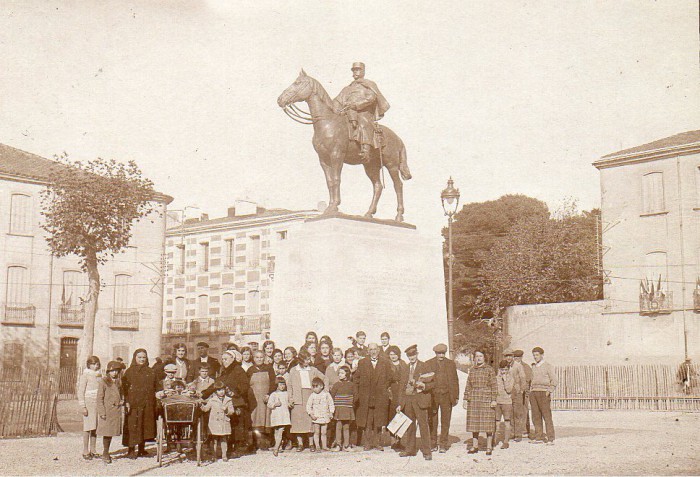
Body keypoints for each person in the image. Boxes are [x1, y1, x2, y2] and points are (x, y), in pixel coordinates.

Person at [332, 62, 390, 163]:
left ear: (363, 71)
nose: (355, 72)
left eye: (358, 70)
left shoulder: (368, 85)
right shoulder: (347, 88)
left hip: (363, 112)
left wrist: (355, 105)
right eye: (354, 70)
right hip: (348, 113)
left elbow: (371, 98)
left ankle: (366, 150)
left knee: (363, 122)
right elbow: (337, 100)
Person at [201, 350, 250, 458]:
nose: (224, 361)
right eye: (222, 359)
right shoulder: (224, 371)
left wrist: (235, 392)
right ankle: (224, 449)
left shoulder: (238, 370)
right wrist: (203, 394)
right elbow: (216, 384)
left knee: (236, 426)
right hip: (226, 401)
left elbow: (245, 385)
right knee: (226, 425)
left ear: (232, 359)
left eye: (226, 359)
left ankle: (237, 449)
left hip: (236, 402)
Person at [353, 342, 394, 451]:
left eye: (375, 349)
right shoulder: (362, 362)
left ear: (379, 350)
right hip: (366, 396)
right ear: (368, 351)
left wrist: (384, 389)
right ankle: (367, 443)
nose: (373, 351)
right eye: (371, 349)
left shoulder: (385, 363)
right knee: (367, 420)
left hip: (380, 396)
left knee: (378, 420)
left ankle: (377, 443)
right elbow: (356, 378)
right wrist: (358, 393)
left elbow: (390, 378)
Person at [396, 344, 434, 461]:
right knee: (410, 427)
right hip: (408, 400)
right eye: (409, 355)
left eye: (413, 355)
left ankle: (427, 452)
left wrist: (424, 386)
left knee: (423, 426)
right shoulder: (405, 368)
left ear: (417, 354)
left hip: (420, 400)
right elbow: (401, 387)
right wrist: (400, 403)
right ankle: (410, 450)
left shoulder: (425, 366)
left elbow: (433, 383)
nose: (411, 357)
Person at [287, 350, 327, 451]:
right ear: (301, 360)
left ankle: (311, 443)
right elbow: (290, 386)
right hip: (297, 398)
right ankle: (300, 444)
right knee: (298, 421)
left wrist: (324, 391)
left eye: (309, 359)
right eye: (307, 359)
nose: (309, 361)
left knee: (310, 420)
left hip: (310, 396)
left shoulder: (313, 370)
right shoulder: (293, 370)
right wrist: (290, 398)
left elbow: (325, 378)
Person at [122, 349, 157, 459]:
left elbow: (156, 386)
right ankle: (131, 449)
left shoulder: (151, 372)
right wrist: (126, 401)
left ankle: (142, 449)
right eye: (139, 357)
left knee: (144, 425)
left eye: (144, 357)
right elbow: (124, 388)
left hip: (146, 404)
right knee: (132, 425)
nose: (142, 359)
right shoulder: (129, 372)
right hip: (133, 404)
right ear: (134, 358)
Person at [426, 343, 459, 453]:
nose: (441, 355)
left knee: (445, 421)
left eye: (443, 353)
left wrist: (456, 396)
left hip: (446, 396)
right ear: (435, 353)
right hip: (433, 396)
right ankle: (433, 443)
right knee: (432, 421)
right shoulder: (429, 363)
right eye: (439, 353)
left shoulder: (450, 364)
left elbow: (455, 381)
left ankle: (443, 444)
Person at [464, 349, 497, 455]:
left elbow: (494, 385)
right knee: (475, 424)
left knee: (488, 424)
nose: (478, 358)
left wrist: (493, 399)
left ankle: (488, 447)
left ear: (484, 358)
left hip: (486, 398)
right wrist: (465, 399)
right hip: (474, 398)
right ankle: (475, 446)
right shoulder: (472, 370)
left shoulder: (489, 370)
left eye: (480, 356)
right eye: (477, 356)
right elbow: (468, 385)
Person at [247, 350, 276, 451]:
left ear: (264, 358)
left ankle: (266, 443)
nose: (259, 359)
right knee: (255, 420)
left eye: (261, 357)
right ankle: (255, 443)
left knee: (266, 419)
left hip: (265, 399)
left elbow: (273, 383)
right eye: (257, 357)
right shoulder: (250, 370)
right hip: (254, 400)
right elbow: (247, 385)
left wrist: (269, 394)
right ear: (253, 358)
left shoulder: (269, 369)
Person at [96, 361, 124, 464]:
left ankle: (107, 451)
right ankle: (105, 452)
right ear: (108, 371)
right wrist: (102, 412)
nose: (114, 373)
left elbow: (122, 394)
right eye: (112, 371)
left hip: (116, 411)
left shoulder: (119, 382)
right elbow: (99, 398)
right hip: (107, 411)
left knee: (111, 432)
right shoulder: (104, 382)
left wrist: (122, 401)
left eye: (116, 371)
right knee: (107, 433)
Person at [529, 347, 557, 445]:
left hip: (544, 393)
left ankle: (550, 438)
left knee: (546, 415)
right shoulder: (533, 367)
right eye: (534, 355)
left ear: (542, 355)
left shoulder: (548, 366)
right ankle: (539, 436)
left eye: (537, 355)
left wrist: (550, 390)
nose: (535, 357)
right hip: (534, 393)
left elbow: (554, 380)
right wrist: (531, 391)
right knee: (536, 416)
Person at [201, 381, 235, 462]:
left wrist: (226, 410)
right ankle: (214, 455)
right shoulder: (212, 400)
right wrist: (200, 405)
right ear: (216, 391)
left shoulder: (228, 400)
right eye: (219, 390)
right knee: (214, 439)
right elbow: (206, 409)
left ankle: (224, 455)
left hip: (224, 422)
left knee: (224, 439)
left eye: (223, 389)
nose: (221, 392)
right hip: (215, 423)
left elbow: (232, 411)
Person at [77, 356, 101, 460]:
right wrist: (83, 406)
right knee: (87, 427)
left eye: (97, 364)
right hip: (88, 403)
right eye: (94, 364)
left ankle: (93, 449)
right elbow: (80, 391)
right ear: (89, 365)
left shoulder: (99, 375)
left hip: (97, 403)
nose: (96, 366)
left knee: (95, 427)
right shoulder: (85, 375)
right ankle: (85, 450)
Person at [386, 345, 408, 451]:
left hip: (402, 390)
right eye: (391, 354)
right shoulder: (387, 364)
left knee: (401, 416)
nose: (393, 356)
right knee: (392, 416)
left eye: (394, 354)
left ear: (398, 354)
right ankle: (393, 441)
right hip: (392, 391)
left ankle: (400, 441)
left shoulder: (403, 364)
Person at [306, 377, 335, 452]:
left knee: (324, 432)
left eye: (316, 386)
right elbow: (308, 406)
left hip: (325, 416)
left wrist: (331, 412)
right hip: (316, 417)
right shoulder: (312, 395)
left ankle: (324, 446)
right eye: (313, 387)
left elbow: (331, 403)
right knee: (316, 432)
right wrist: (311, 414)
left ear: (321, 386)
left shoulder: (326, 394)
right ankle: (317, 446)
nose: (314, 388)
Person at [504, 349, 527, 442]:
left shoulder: (518, 366)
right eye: (506, 356)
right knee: (509, 413)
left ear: (513, 356)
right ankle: (512, 433)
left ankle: (518, 434)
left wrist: (521, 390)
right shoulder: (503, 365)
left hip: (516, 391)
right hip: (507, 392)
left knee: (517, 413)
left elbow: (523, 378)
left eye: (510, 356)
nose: (508, 358)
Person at [330, 366, 354, 451]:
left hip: (347, 409)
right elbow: (331, 396)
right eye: (339, 373)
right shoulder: (336, 385)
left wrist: (350, 404)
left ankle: (346, 445)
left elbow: (355, 396)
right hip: (338, 409)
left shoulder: (351, 385)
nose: (340, 375)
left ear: (347, 374)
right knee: (338, 426)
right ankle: (338, 445)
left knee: (346, 427)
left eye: (342, 373)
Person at [267, 377, 292, 457]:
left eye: (284, 384)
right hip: (276, 415)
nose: (282, 386)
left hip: (284, 415)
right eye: (281, 384)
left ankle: (276, 448)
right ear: (277, 385)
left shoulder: (286, 393)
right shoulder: (273, 394)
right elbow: (269, 404)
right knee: (276, 431)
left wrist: (290, 404)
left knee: (281, 430)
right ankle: (279, 445)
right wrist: (275, 404)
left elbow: (288, 402)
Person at [513, 349, 533, 438]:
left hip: (524, 393)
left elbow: (528, 380)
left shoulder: (526, 367)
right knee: (514, 412)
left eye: (518, 357)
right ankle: (515, 431)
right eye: (515, 357)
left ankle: (524, 430)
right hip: (514, 393)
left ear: (521, 357)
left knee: (524, 411)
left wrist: (525, 391)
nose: (517, 359)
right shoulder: (511, 366)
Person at [496, 359, 515, 449]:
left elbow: (509, 389)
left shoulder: (511, 378)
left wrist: (505, 380)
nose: (504, 372)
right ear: (499, 369)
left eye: (506, 370)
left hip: (507, 402)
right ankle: (494, 440)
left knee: (507, 422)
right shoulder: (496, 378)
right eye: (502, 370)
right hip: (498, 402)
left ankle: (506, 441)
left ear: (508, 370)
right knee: (496, 422)